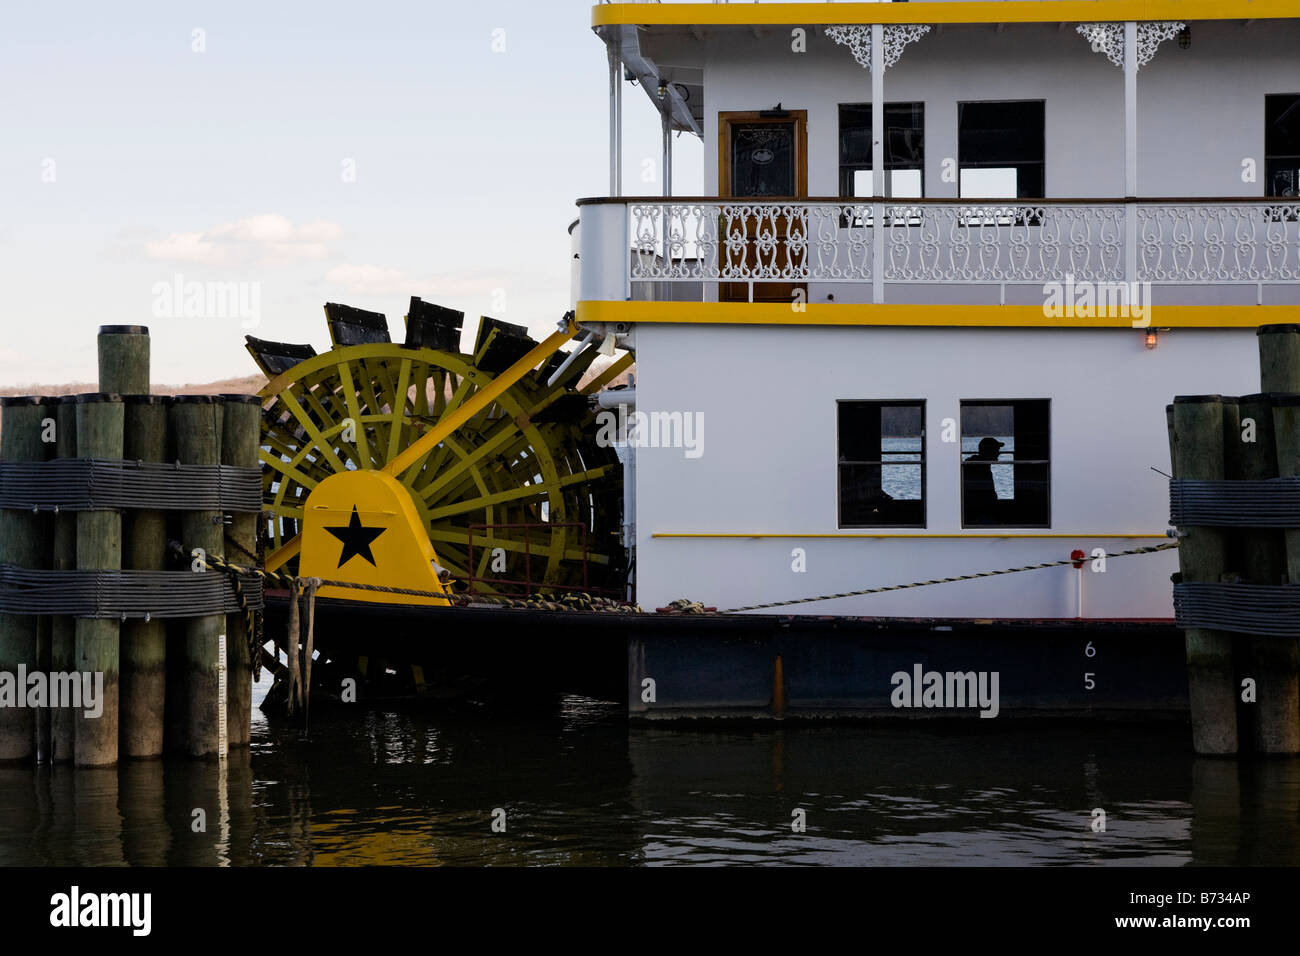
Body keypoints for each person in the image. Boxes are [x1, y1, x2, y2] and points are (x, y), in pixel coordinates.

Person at [963, 437, 1004, 524]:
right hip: (977, 515)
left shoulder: (981, 466)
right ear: (989, 451)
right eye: (997, 449)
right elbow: (986, 498)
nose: (999, 453)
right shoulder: (979, 468)